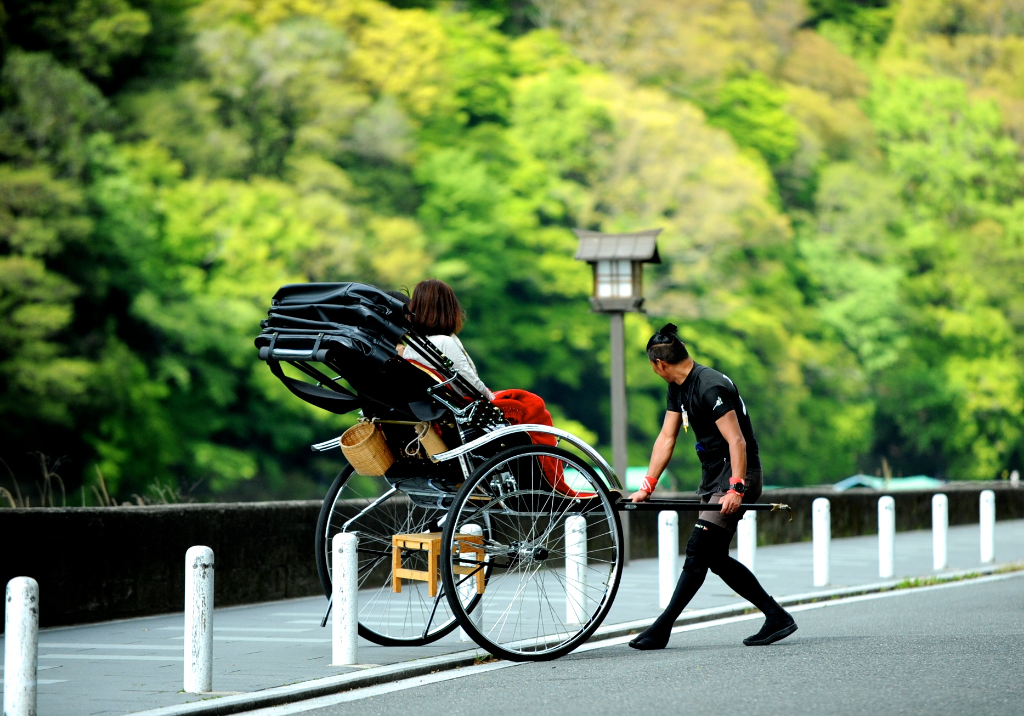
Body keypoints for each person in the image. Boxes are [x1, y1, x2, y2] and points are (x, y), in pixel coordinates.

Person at [628, 323, 797, 650]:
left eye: (651, 366)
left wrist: (736, 488)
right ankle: (776, 616)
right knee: (715, 557)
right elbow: (667, 437)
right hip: (713, 475)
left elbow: (737, 441)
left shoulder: (709, 386)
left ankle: (661, 629)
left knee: (698, 549)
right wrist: (646, 486)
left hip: (737, 473)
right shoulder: (678, 386)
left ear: (659, 364)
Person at [400, 279, 495, 401]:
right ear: (449, 310)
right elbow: (471, 383)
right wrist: (492, 398)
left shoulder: (411, 346)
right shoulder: (445, 342)